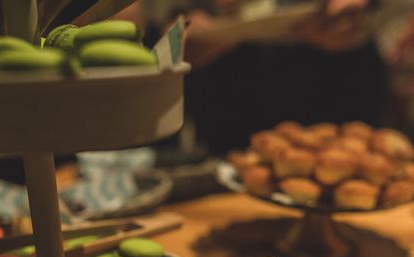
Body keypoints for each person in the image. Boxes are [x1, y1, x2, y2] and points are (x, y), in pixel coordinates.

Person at [119, 0, 386, 154]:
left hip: (329, 92)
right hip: (231, 112)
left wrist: (356, 13)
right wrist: (183, 35)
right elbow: (178, 23)